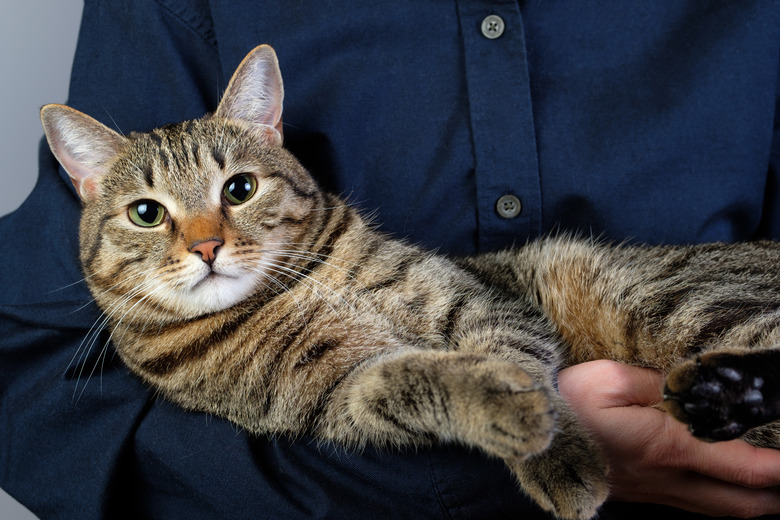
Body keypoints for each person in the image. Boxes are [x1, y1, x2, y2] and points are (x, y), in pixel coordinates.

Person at [1, 1, 779, 518]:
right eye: (150, 215)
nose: (203, 242)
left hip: (655, 333)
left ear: (270, 135)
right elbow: (32, 393)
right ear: (88, 188)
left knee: (634, 300)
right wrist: (505, 449)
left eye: (234, 192)